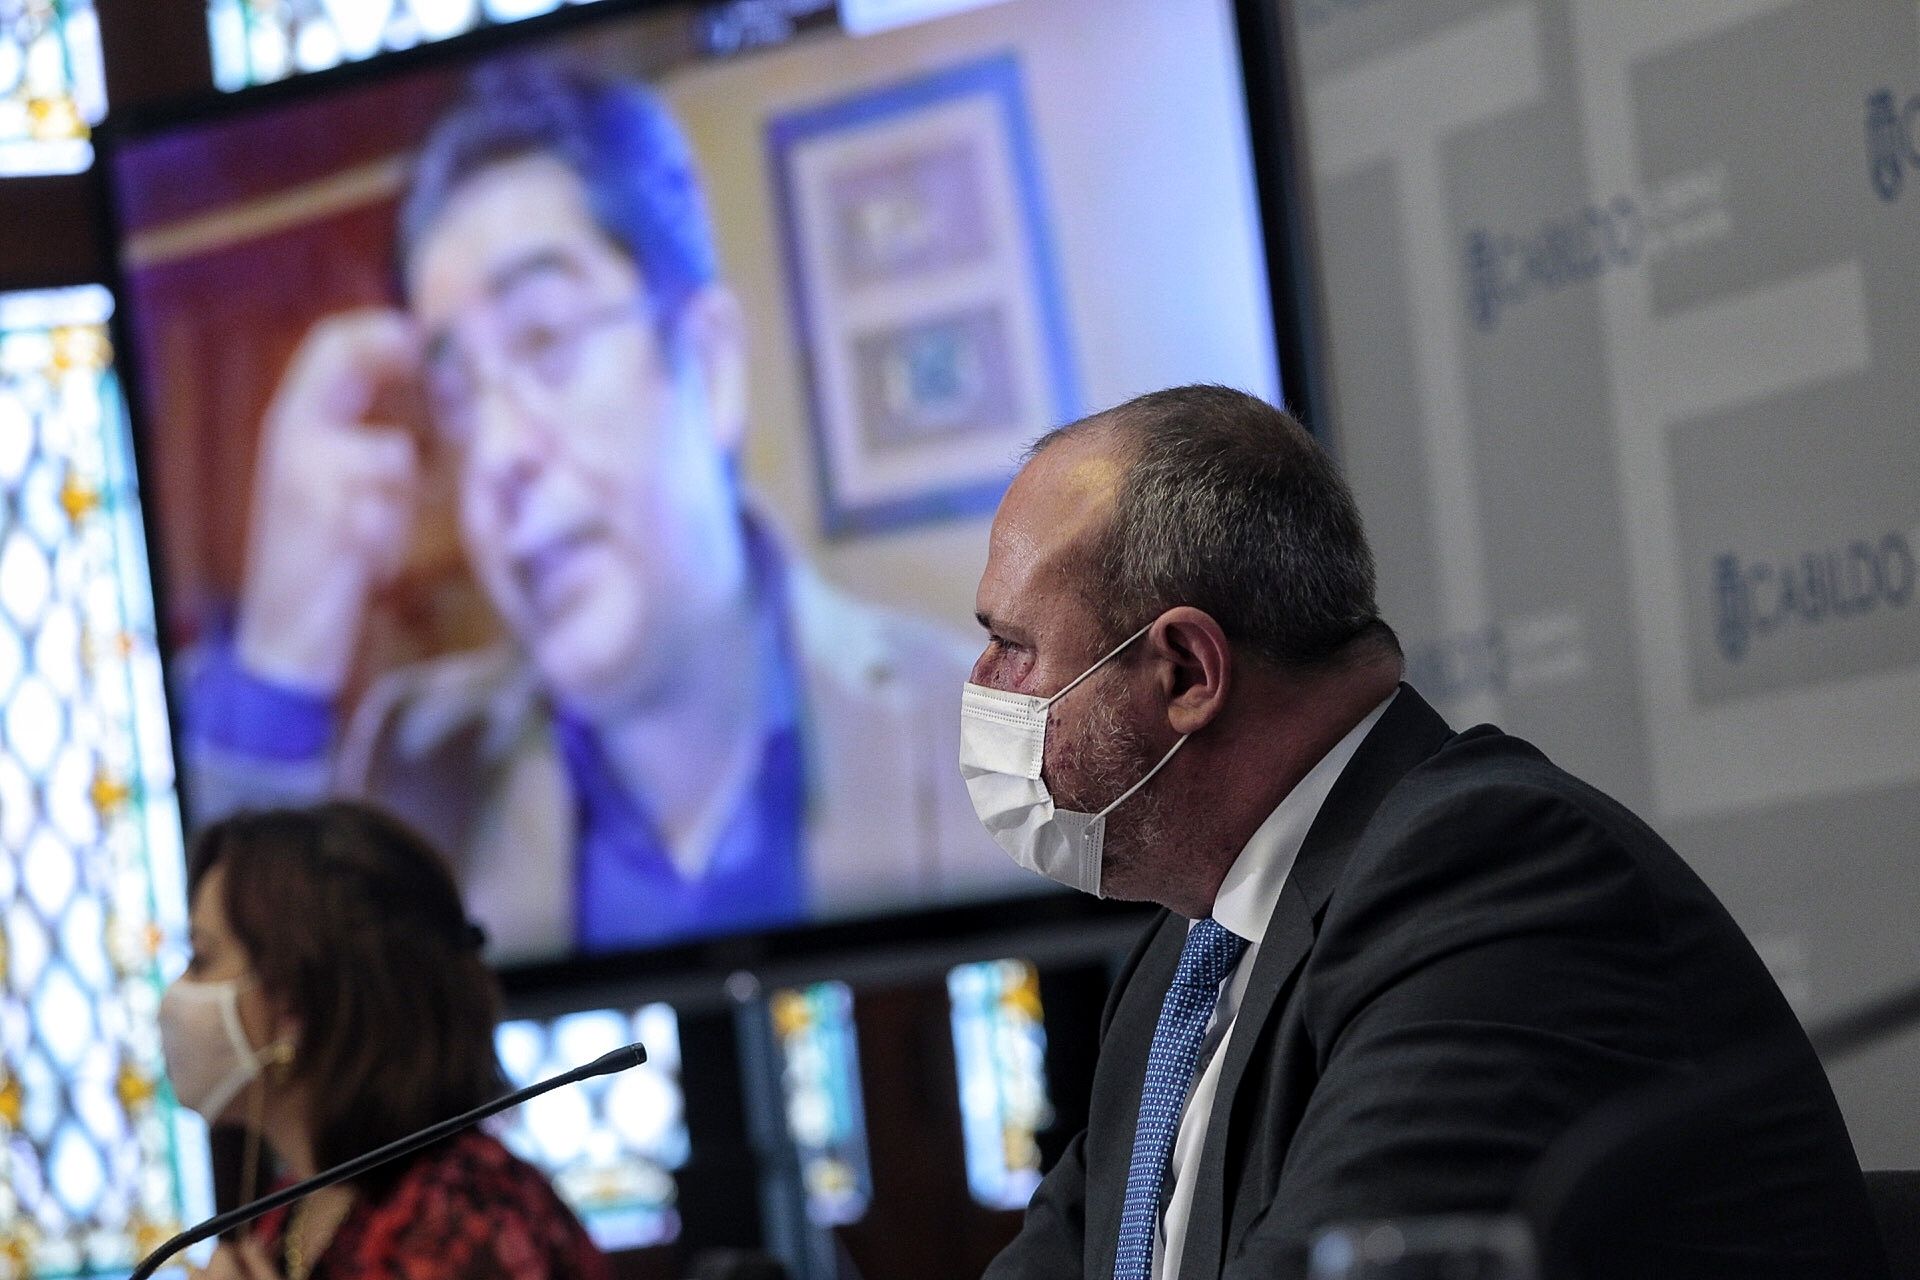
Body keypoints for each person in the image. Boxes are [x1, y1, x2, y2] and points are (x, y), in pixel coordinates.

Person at [962, 385, 1887, 1278]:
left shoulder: (1495, 879)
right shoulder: (1186, 956)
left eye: (1012, 645)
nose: (982, 683)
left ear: (1186, 673)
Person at [184, 63, 1005, 960]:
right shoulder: (412, 771)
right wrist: (281, 653)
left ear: (711, 366)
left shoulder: (984, 744)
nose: (497, 454)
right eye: (455, 393)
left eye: (546, 338)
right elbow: (272, 1040)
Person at [159, 801, 611, 1280]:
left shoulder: (463, 1216)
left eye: (201, 957)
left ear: (292, 1007)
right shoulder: (298, 1205)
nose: (176, 989)